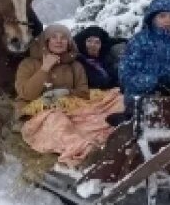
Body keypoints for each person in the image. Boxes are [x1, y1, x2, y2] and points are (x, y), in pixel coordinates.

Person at [15, 24, 124, 168]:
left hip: (72, 107)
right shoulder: (28, 64)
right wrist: (44, 69)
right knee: (57, 120)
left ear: (69, 42)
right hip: (39, 114)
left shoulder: (75, 65)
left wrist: (65, 92)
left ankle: (121, 135)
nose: (59, 41)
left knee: (116, 97)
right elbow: (26, 94)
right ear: (45, 41)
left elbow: (83, 92)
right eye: (54, 37)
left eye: (63, 38)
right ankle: (86, 152)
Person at [106, 0, 170, 126]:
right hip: (145, 97)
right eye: (162, 16)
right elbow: (126, 76)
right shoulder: (138, 41)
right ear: (152, 18)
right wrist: (153, 82)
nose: (168, 20)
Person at [73, 25, 120, 90]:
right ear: (84, 42)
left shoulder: (108, 58)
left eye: (97, 42)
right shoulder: (79, 60)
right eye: (89, 41)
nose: (93, 45)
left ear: (101, 45)